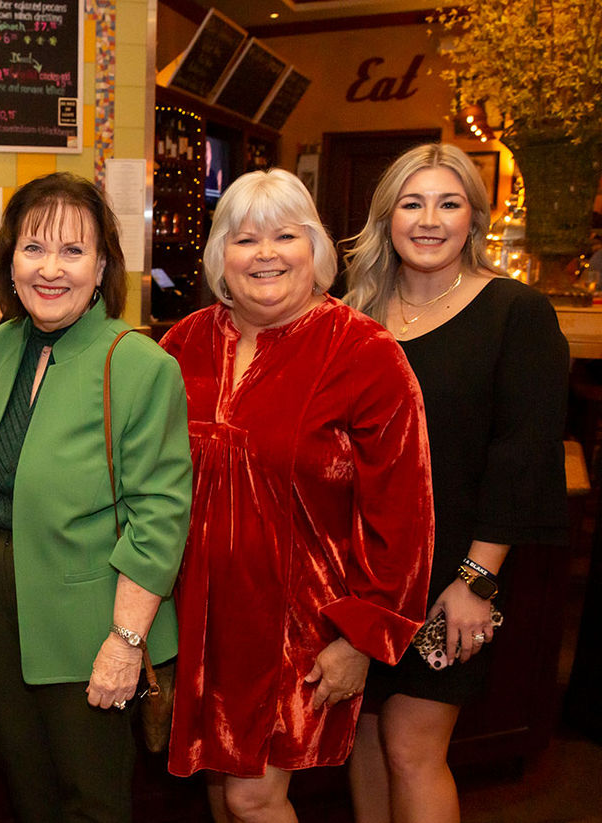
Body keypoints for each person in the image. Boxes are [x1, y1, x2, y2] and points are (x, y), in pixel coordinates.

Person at [158, 168, 434, 823]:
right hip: (197, 620)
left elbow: (405, 509)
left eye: (286, 235)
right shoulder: (182, 344)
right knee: (220, 790)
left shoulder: (364, 351)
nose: (267, 254)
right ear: (221, 254)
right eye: (245, 238)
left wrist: (364, 636)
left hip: (301, 629)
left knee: (255, 797)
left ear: (315, 248)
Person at [344, 143, 569, 823]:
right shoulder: (354, 315)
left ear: (475, 217)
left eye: (449, 203)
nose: (429, 219)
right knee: (361, 739)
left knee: (413, 745)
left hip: (454, 570)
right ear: (386, 218)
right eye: (412, 203)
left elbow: (522, 456)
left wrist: (476, 579)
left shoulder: (514, 312)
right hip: (360, 569)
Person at [0, 172, 192, 823]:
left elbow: (160, 515)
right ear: (9, 259)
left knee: (92, 802)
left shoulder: (139, 363)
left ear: (102, 267)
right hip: (1, 617)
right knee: (28, 793)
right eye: (34, 248)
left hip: (92, 624)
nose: (51, 268)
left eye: (73, 251)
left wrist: (126, 639)